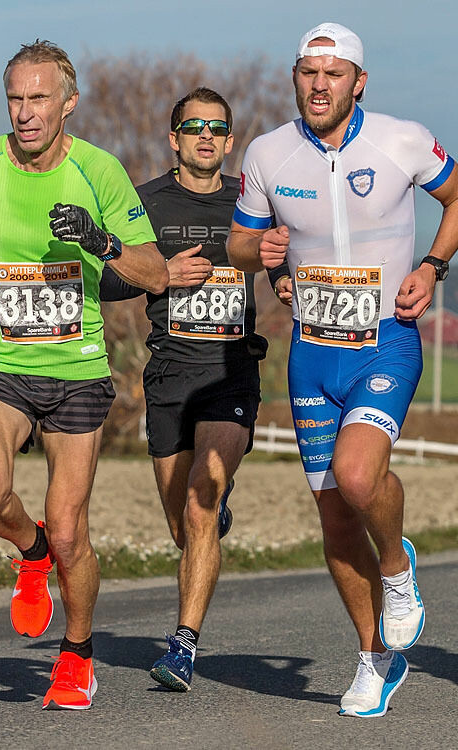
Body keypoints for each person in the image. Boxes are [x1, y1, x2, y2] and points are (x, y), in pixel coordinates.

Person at [227, 22, 458, 717]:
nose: (319, 84)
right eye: (308, 72)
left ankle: (398, 568)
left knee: (362, 475)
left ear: (358, 82)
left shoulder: (401, 139)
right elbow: (241, 245)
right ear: (295, 78)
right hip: (312, 353)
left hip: (384, 343)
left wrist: (432, 267)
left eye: (333, 74)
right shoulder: (268, 153)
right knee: (336, 522)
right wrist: (264, 252)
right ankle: (375, 659)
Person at [0, 40, 168, 710]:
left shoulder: (99, 170)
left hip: (76, 370)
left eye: (39, 98)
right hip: (2, 362)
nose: (26, 112)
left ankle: (77, 652)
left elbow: (155, 272)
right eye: (16, 98)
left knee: (71, 530)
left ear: (69, 101)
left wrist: (100, 239)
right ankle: (27, 550)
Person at [98, 87, 278, 692]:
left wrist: (288, 284)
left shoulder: (250, 202)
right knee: (183, 526)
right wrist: (162, 274)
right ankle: (209, 514)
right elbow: (105, 282)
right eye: (194, 126)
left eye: (218, 129)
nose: (207, 136)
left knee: (201, 503)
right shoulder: (143, 203)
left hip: (229, 372)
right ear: (173, 138)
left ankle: (183, 646)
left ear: (230, 141)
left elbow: (285, 265)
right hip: (168, 374)